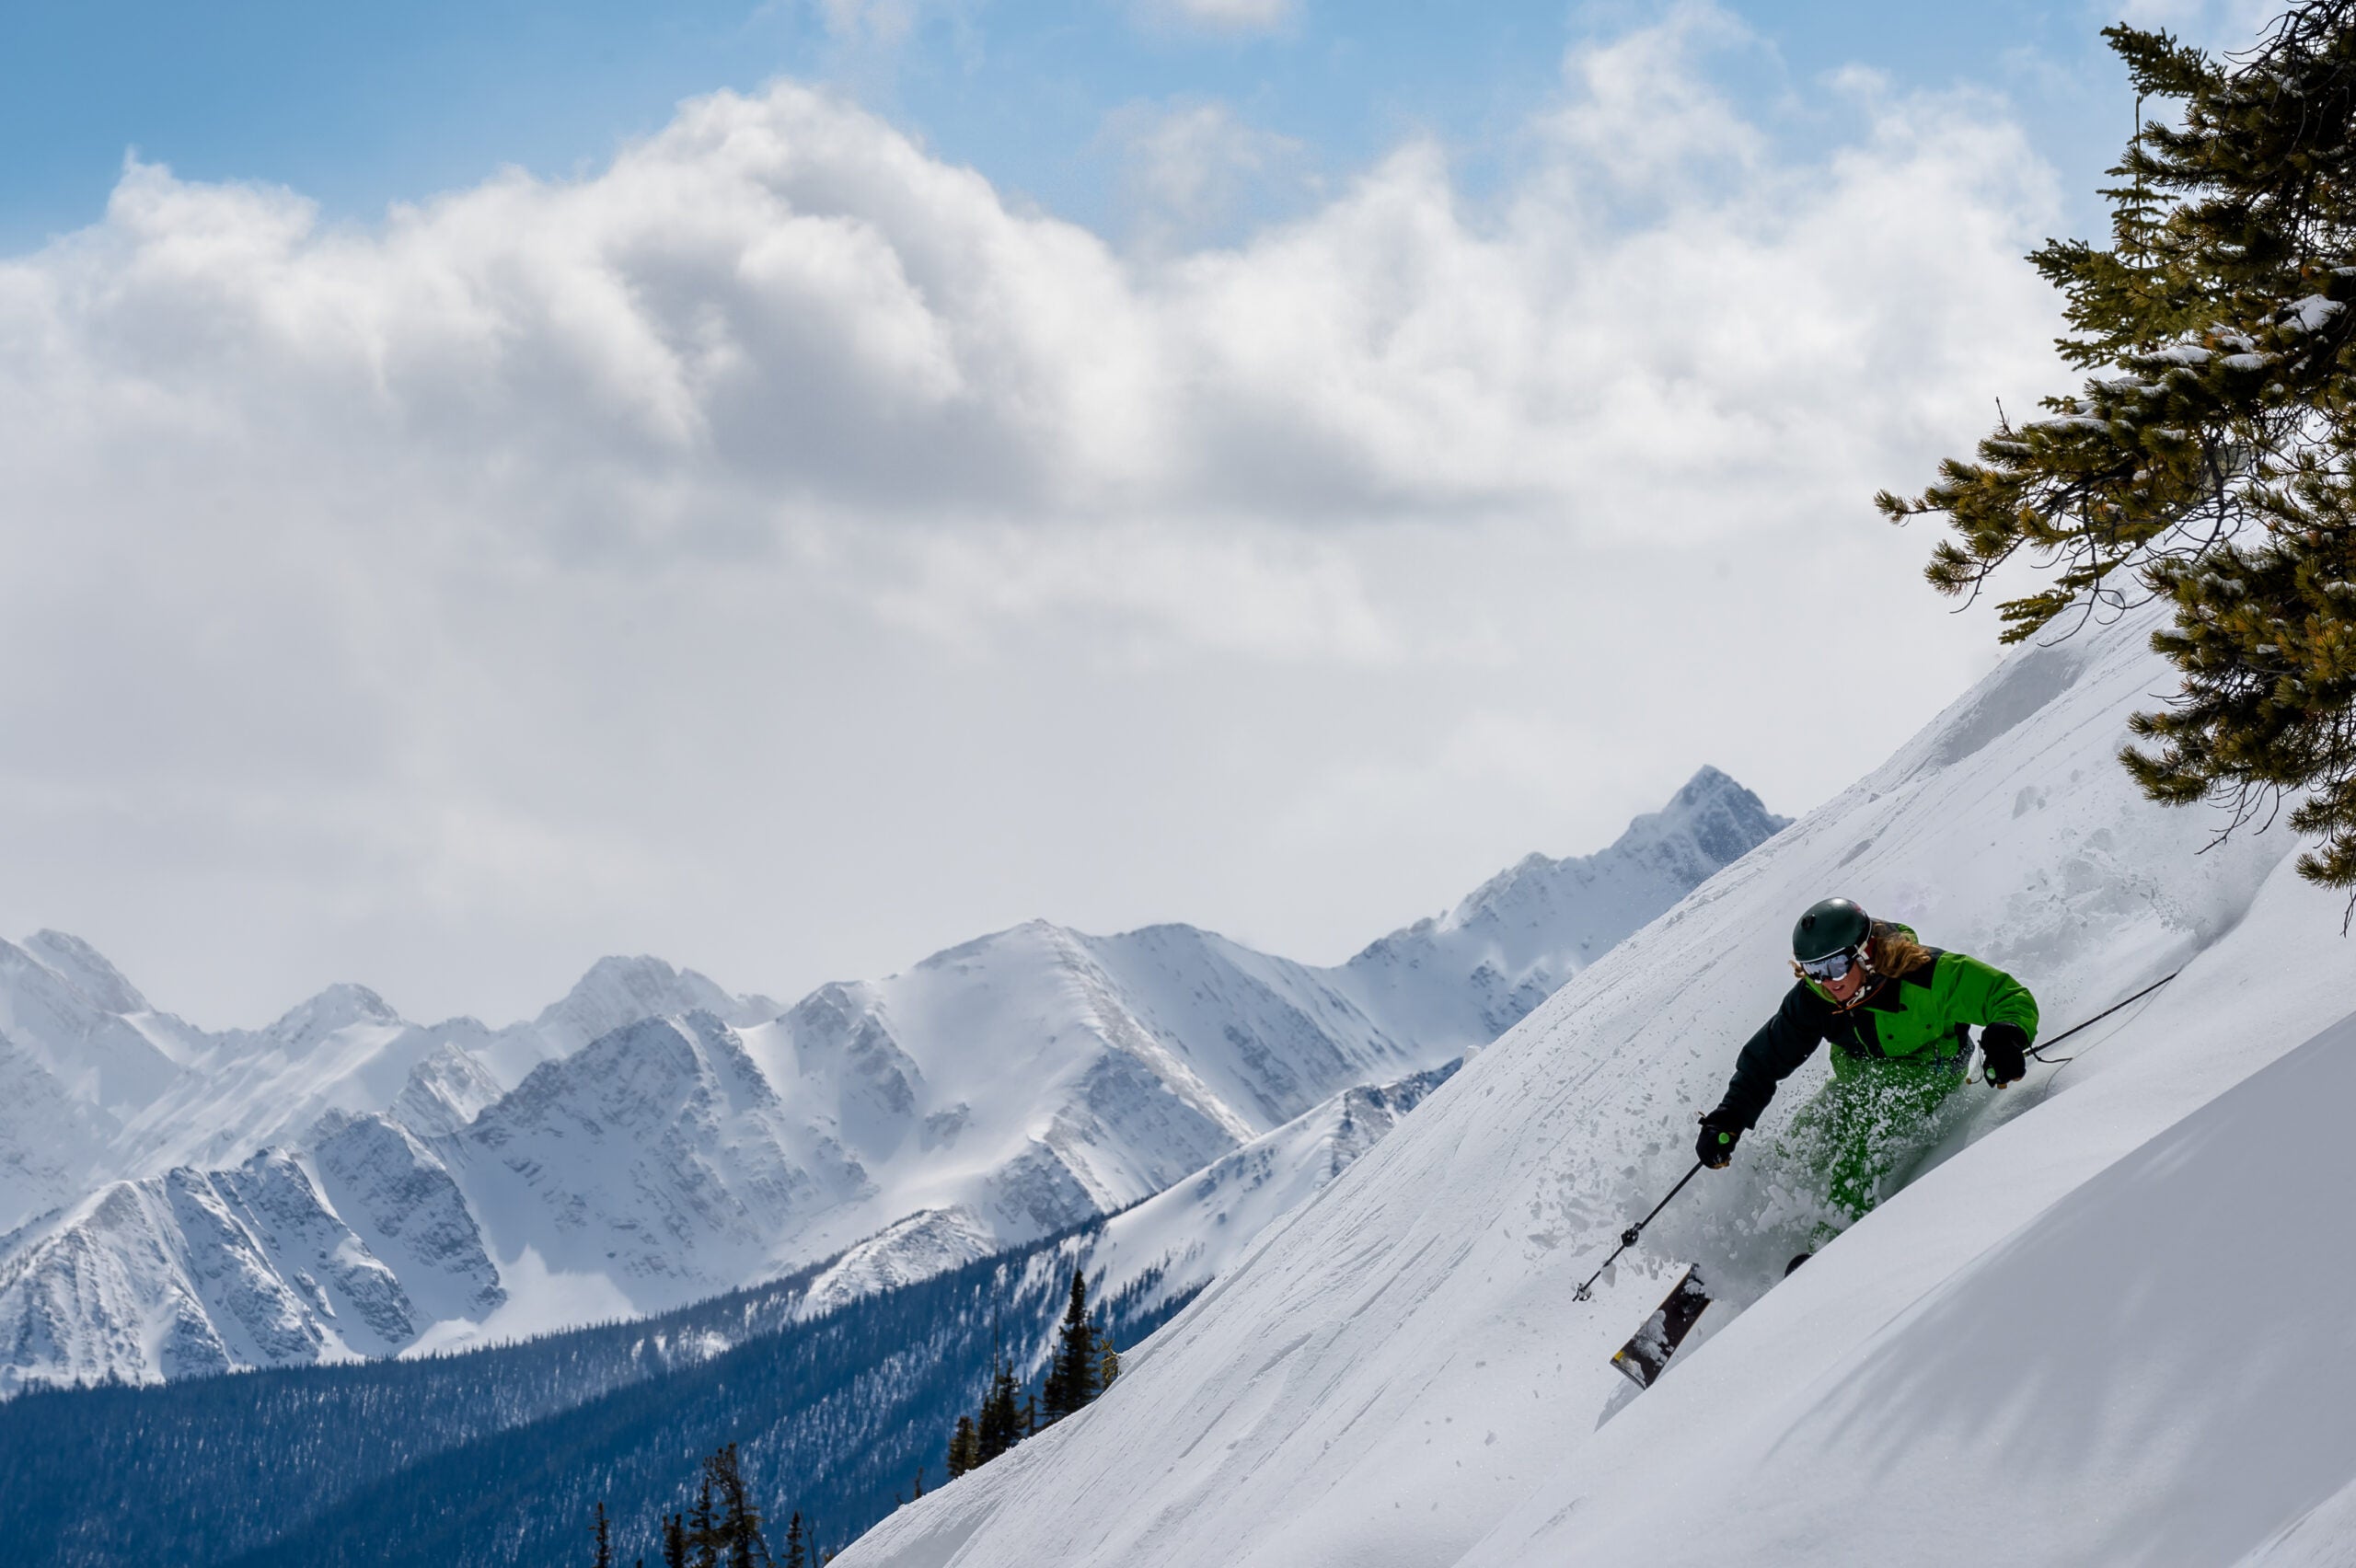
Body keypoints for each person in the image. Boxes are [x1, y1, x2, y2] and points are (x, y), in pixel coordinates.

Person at [1694, 897, 2038, 1244]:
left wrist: (2006, 1037)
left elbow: (2007, 996)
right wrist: (1730, 1116)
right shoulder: (1816, 998)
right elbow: (1766, 1060)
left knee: (1863, 1150)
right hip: (1858, 1079)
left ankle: (1827, 1248)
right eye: (1814, 970)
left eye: (1835, 966)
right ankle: (1747, 1231)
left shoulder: (1925, 973)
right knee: (1802, 1140)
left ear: (1864, 951)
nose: (1828, 982)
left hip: (1925, 1075)